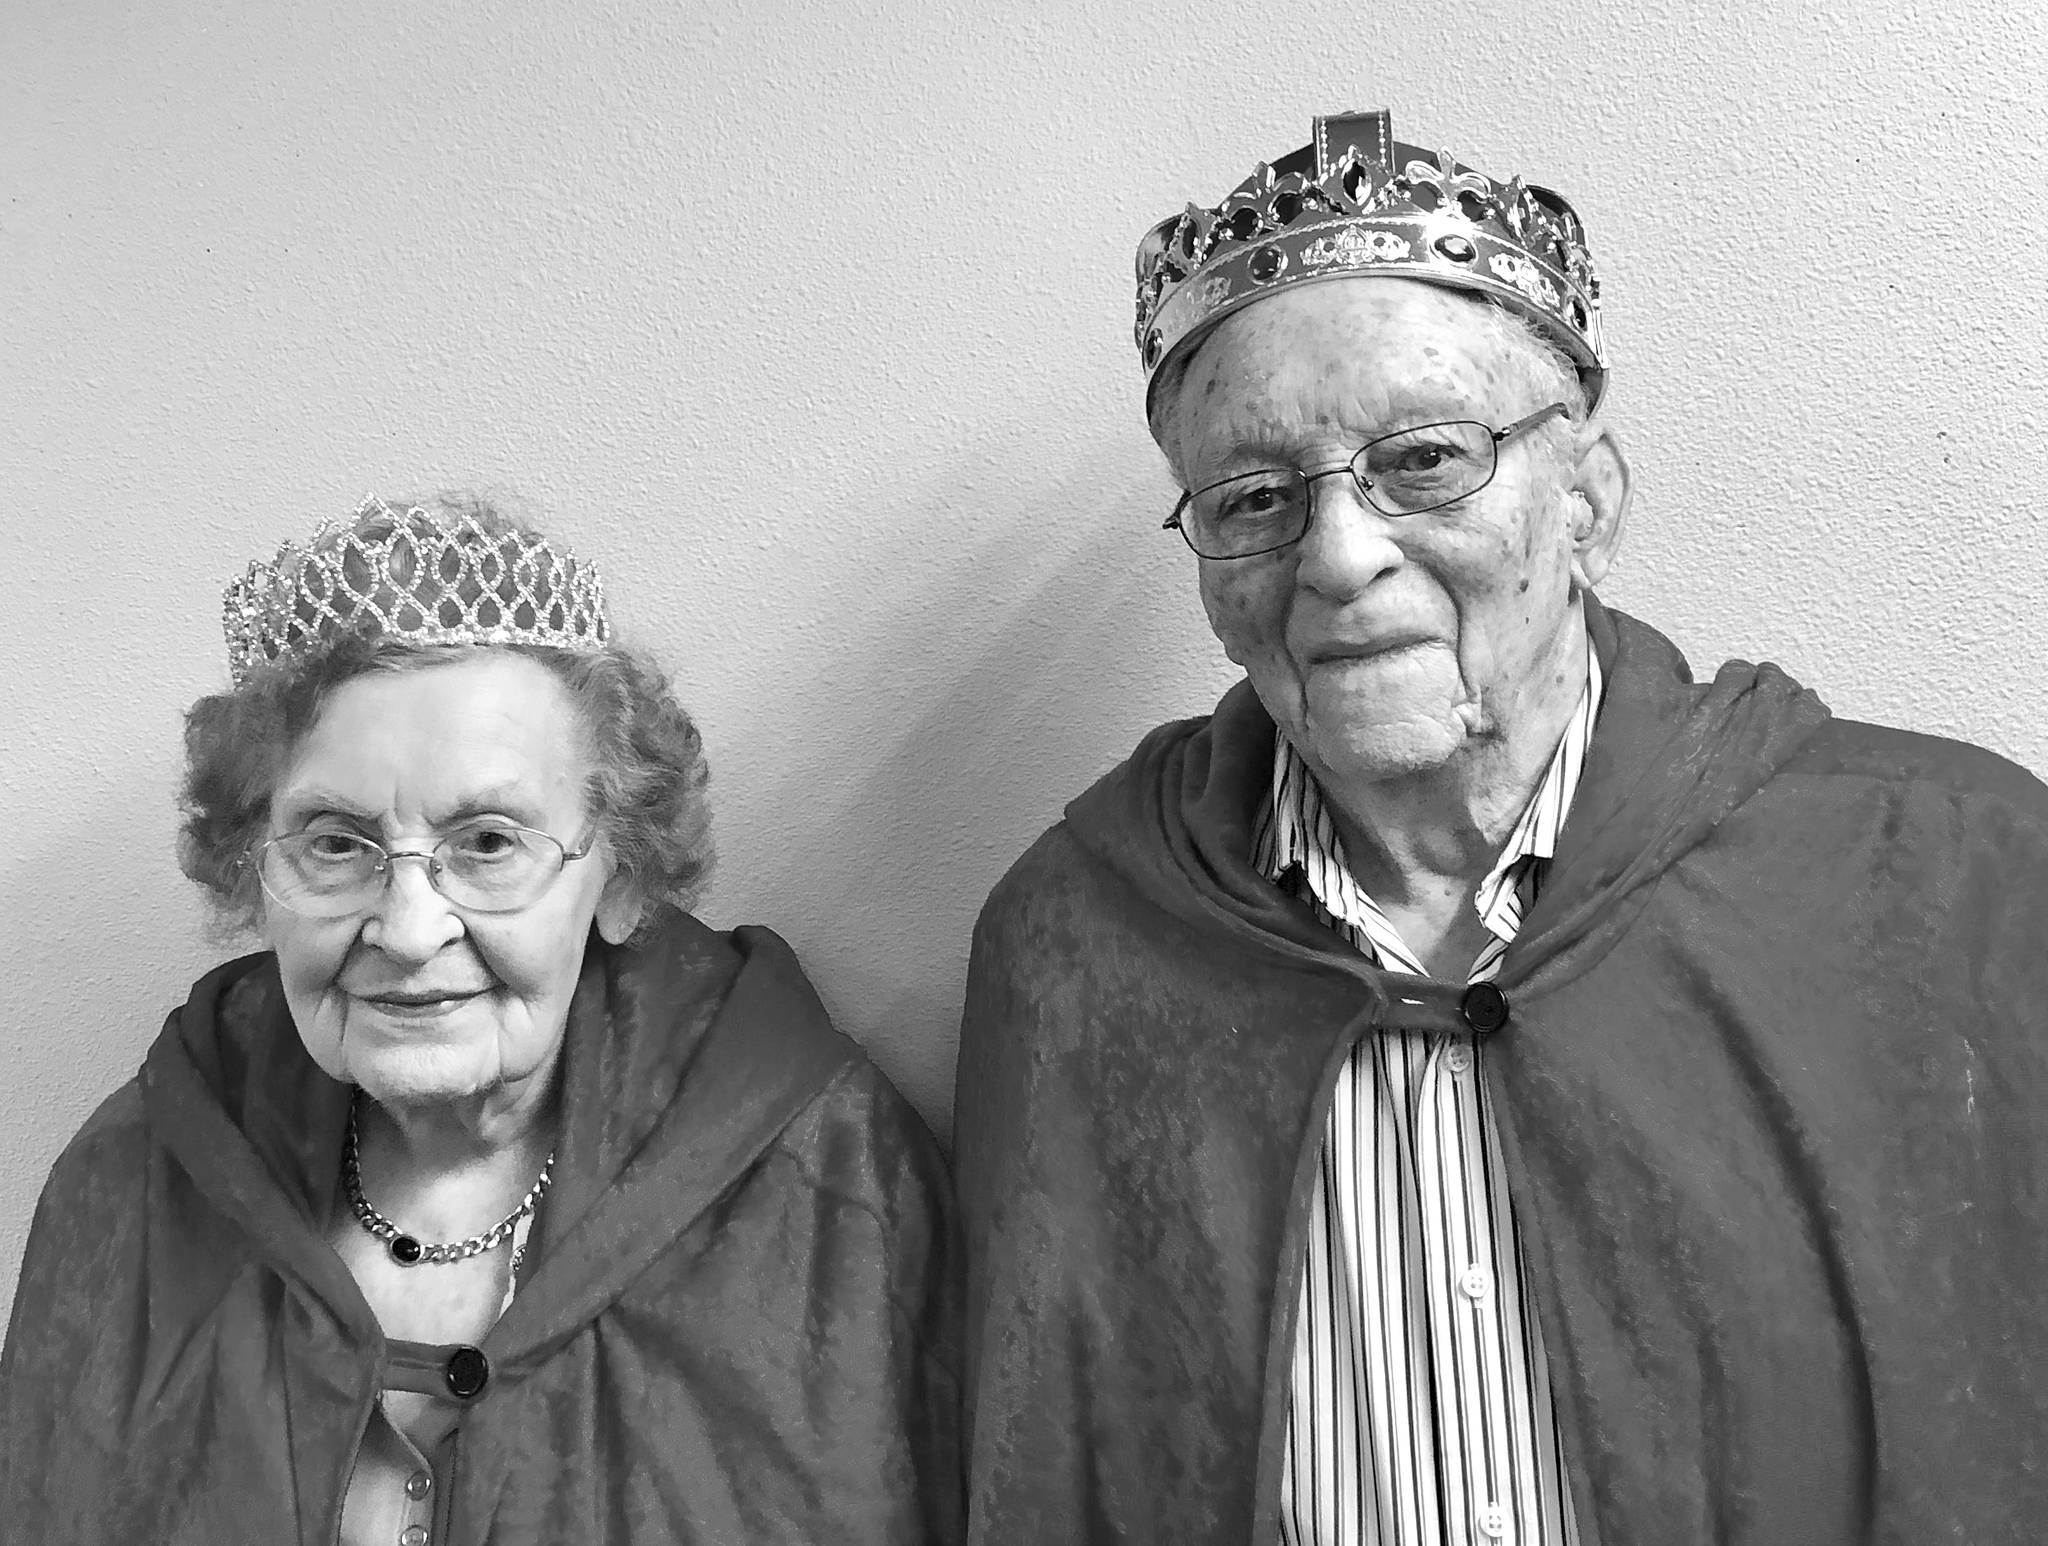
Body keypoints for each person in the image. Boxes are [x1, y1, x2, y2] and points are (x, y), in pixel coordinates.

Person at [953, 110, 2048, 1545]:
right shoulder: (1076, 944)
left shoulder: (1948, 875)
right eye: (1253, 496)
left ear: (1587, 500)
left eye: (1422, 459)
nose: (1338, 557)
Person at [1, 494, 962, 1544]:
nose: (410, 931)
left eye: (490, 842)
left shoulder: (828, 1187)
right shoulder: (133, 1185)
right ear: (253, 869)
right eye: (335, 843)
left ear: (618, 874)